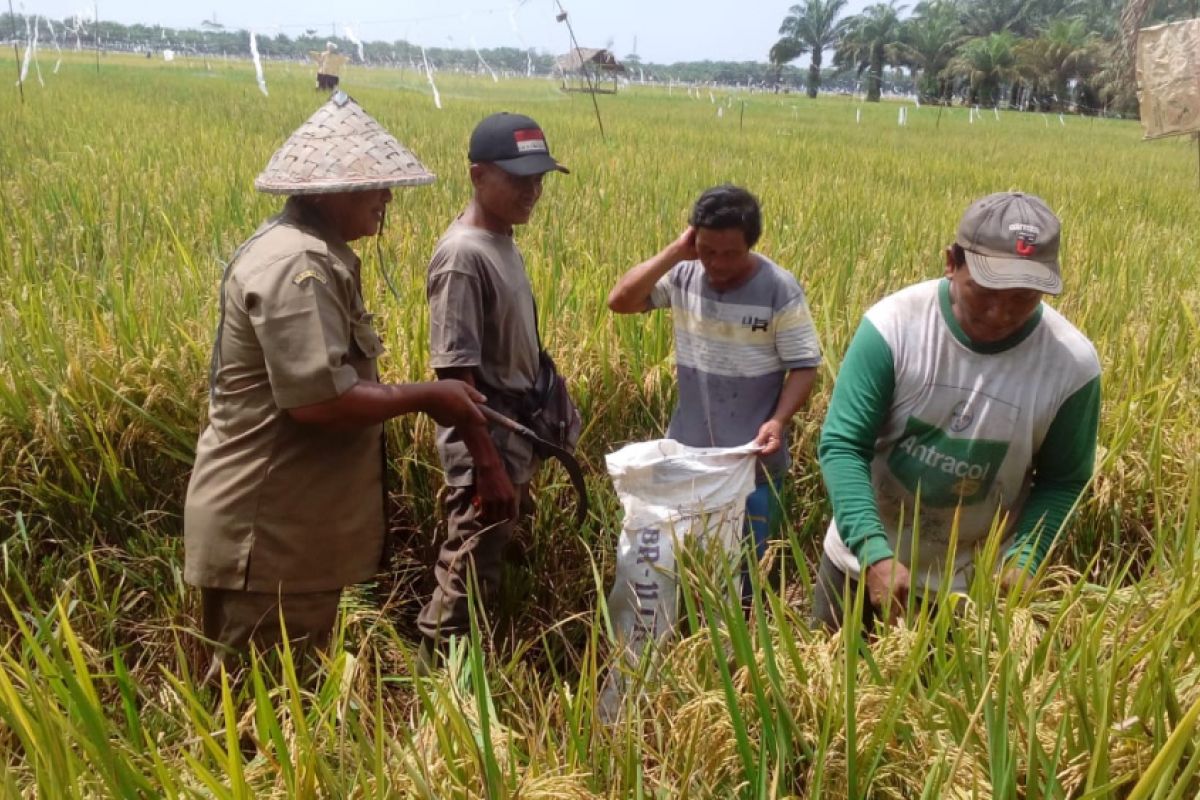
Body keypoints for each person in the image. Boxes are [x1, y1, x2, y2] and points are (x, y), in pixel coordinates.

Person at [183, 92, 488, 679]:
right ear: (333, 191)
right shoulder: (300, 266)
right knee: (261, 723)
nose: (387, 199)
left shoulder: (316, 253)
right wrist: (429, 396)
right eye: (376, 186)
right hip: (270, 537)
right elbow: (320, 401)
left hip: (292, 537)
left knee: (284, 715)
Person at [815, 191, 1101, 631]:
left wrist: (1026, 556)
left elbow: (1064, 478)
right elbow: (843, 445)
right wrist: (874, 554)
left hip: (972, 590)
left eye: (1024, 297)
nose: (1002, 312)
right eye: (986, 290)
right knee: (832, 692)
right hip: (859, 564)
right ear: (951, 261)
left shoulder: (1072, 366)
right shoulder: (893, 326)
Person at [607, 184, 823, 581]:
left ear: (751, 246)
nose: (717, 263)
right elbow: (620, 301)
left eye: (730, 253)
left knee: (744, 574)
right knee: (680, 572)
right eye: (707, 250)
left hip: (752, 464)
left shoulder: (779, 289)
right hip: (688, 461)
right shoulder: (684, 275)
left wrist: (778, 421)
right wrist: (676, 252)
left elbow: (805, 365)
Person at [417, 112, 571, 653]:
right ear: (479, 176)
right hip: (487, 449)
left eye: (539, 178)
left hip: (511, 441)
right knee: (465, 574)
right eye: (518, 178)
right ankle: (437, 687)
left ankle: (477, 671)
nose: (533, 190)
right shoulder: (464, 256)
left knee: (487, 565)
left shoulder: (501, 239)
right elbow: (453, 372)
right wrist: (486, 466)